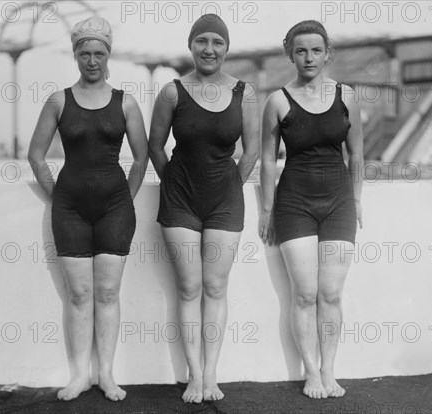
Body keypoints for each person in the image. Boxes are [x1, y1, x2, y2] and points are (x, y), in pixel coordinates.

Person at [27, 16, 149, 401]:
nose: (92, 60)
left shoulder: (126, 101)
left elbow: (142, 158)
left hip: (115, 208)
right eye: (85, 53)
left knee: (108, 293)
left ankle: (107, 375)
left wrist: (124, 197)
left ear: (108, 54)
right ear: (76, 55)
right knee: (79, 295)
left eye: (99, 53)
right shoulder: (58, 100)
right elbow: (35, 156)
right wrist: (57, 195)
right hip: (70, 210)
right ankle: (80, 375)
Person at [148, 14, 259, 403]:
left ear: (226, 48)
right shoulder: (172, 92)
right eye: (201, 42)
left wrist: (229, 185)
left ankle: (212, 373)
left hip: (224, 200)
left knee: (215, 286)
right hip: (180, 200)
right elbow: (155, 146)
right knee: (189, 285)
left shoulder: (245, 92)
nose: (209, 49)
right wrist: (173, 182)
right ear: (191, 45)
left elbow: (253, 151)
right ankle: (194, 375)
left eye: (217, 42)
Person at [258, 20, 363, 399]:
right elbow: (268, 161)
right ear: (290, 54)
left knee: (331, 293)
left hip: (338, 202)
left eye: (316, 50)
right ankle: (311, 373)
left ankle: (330, 370)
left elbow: (357, 153)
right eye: (301, 50)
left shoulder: (346, 96)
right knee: (303, 294)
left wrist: (358, 199)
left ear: (327, 53)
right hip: (294, 204)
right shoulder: (277, 101)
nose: (309, 57)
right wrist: (267, 210)